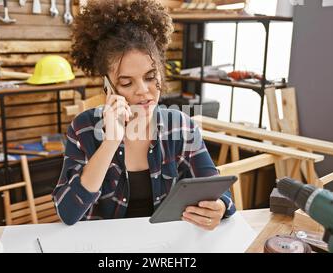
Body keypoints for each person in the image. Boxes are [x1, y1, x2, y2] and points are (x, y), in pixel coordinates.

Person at [52, 0, 235, 230]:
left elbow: (220, 193)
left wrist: (219, 207)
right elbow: (67, 212)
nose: (143, 90)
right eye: (127, 82)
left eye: (150, 77)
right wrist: (110, 143)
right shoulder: (84, 128)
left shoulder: (180, 127)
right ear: (108, 86)